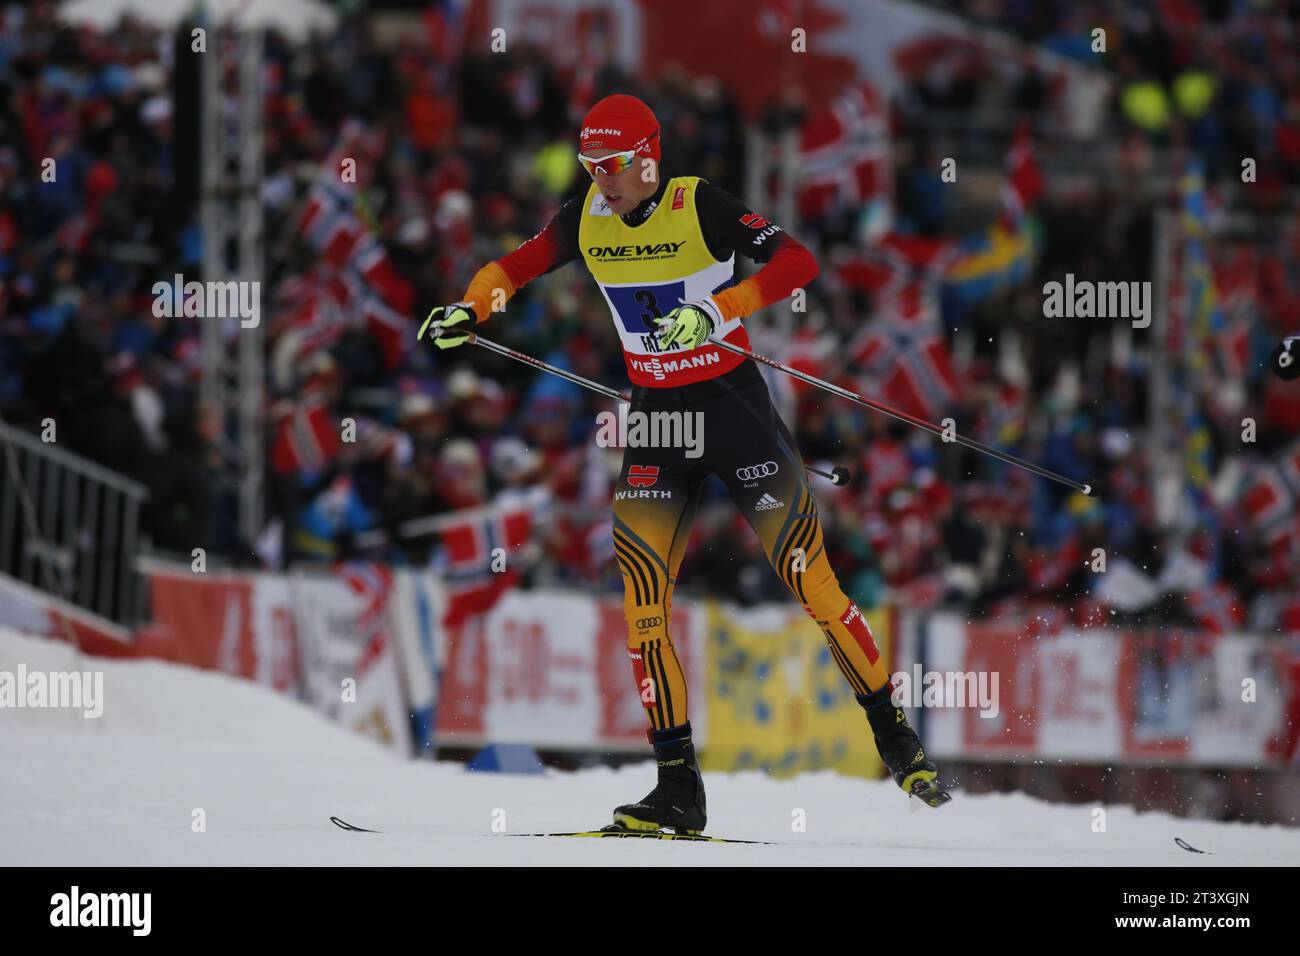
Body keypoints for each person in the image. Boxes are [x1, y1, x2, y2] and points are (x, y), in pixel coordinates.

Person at [423, 93, 943, 834]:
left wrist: (723, 307)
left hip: (735, 415)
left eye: (611, 166)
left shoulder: (700, 205)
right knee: (642, 604)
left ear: (648, 160)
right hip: (659, 422)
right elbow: (513, 266)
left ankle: (895, 734)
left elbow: (798, 261)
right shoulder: (584, 219)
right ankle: (677, 789)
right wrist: (471, 309)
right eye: (589, 166)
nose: (600, 179)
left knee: (811, 583)